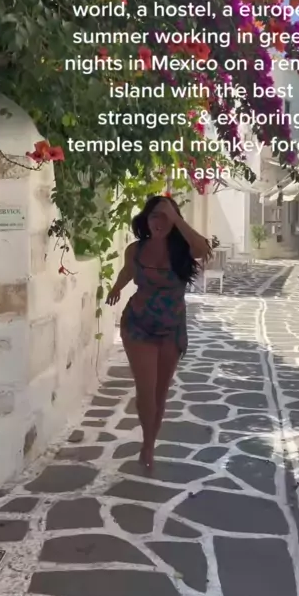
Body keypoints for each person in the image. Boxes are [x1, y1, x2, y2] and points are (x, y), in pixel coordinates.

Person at [106, 195, 210, 472]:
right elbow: (128, 271)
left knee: (160, 392)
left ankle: (149, 443)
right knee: (146, 390)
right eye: (155, 216)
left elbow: (203, 248)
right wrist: (116, 288)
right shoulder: (135, 249)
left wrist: (176, 219)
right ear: (146, 219)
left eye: (166, 217)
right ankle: (147, 440)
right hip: (138, 323)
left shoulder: (183, 249)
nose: (160, 222)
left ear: (175, 221)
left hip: (171, 327)